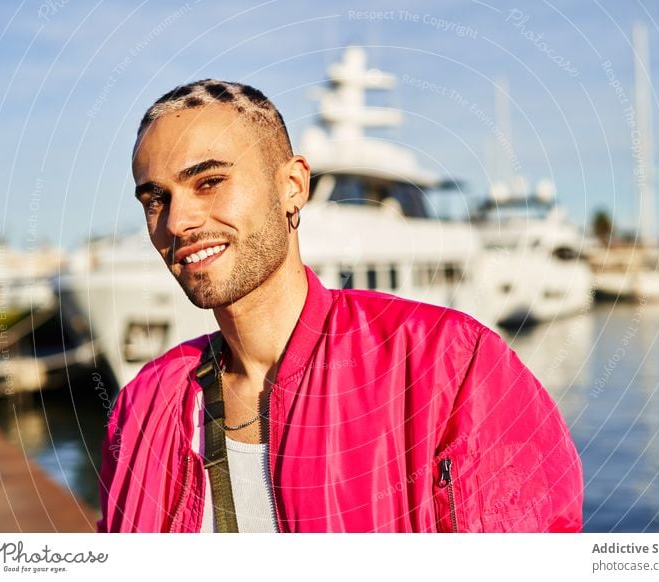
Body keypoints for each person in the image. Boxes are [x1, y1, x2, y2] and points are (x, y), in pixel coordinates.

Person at [97, 79, 584, 533]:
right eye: (155, 198)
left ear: (292, 187)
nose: (177, 221)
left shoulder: (451, 367)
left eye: (209, 182)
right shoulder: (141, 406)